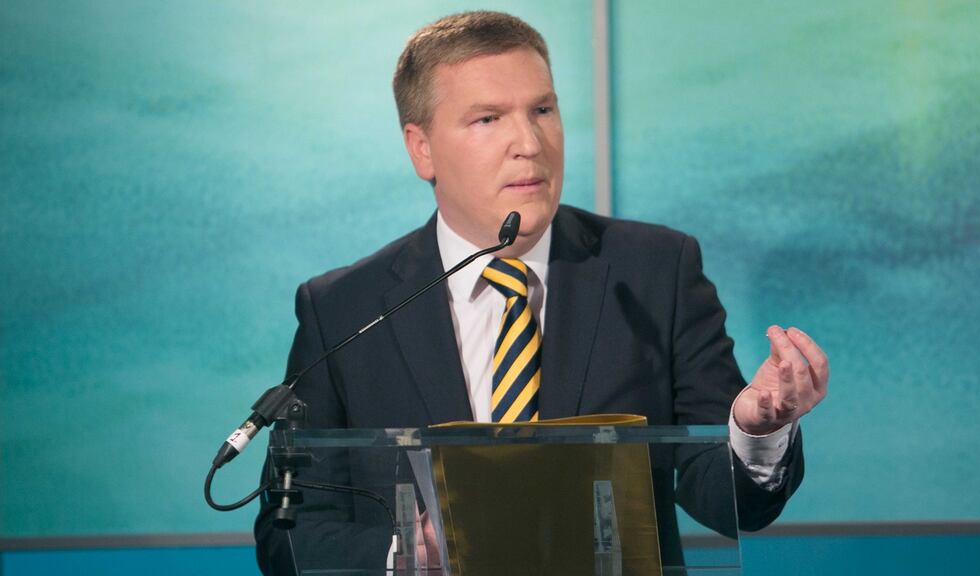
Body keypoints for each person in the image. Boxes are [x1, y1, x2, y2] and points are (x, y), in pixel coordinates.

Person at [255, 10, 829, 574]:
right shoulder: (344, 312)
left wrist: (756, 429)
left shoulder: (654, 272)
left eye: (543, 110)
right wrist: (408, 552)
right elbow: (290, 537)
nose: (528, 142)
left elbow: (726, 499)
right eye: (488, 119)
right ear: (421, 148)